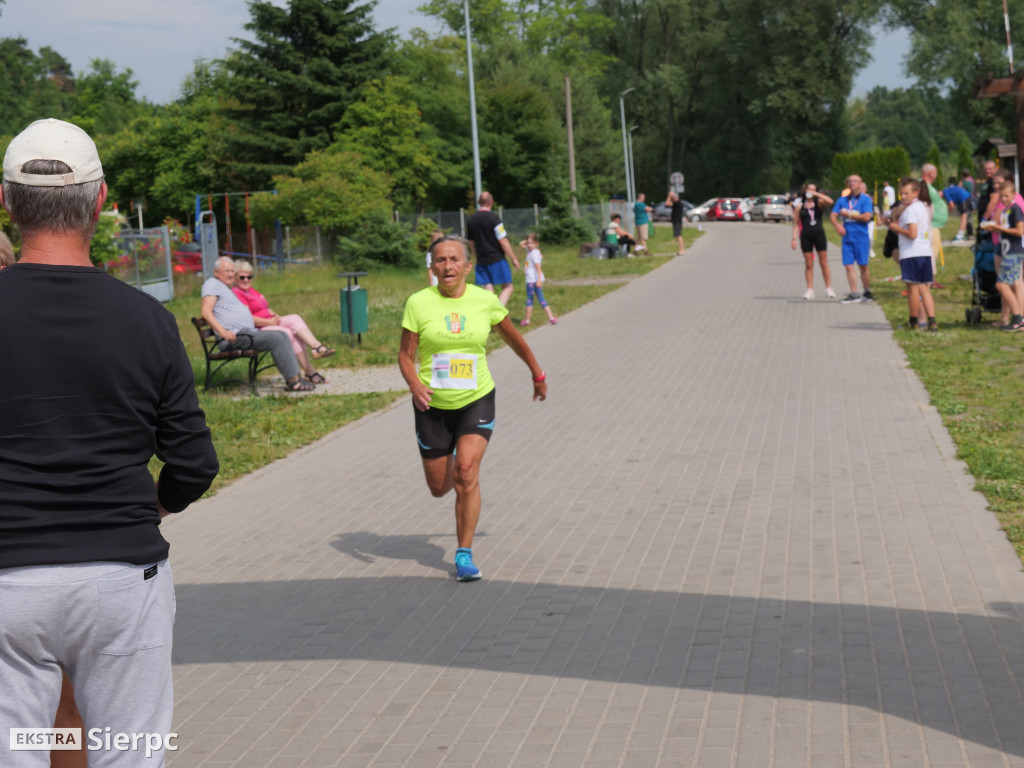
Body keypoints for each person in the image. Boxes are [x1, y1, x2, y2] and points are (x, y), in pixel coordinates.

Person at [0, 117, 219, 765]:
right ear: (101, 202)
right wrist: (156, 505)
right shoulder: (146, 321)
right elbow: (194, 461)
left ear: (6, 202)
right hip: (122, 582)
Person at [398, 235, 547, 582]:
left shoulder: (485, 301)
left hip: (476, 397)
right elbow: (406, 355)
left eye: (453, 260)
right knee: (440, 487)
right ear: (432, 267)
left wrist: (537, 373)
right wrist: (415, 384)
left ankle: (464, 553)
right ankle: (454, 472)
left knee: (465, 473)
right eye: (440, 261)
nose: (447, 266)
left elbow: (513, 337)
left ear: (467, 266)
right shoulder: (418, 303)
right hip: (432, 404)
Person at [201, 256, 314, 391]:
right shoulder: (212, 284)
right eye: (226, 271)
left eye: (232, 271)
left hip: (246, 334)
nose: (230, 274)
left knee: (282, 335)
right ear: (216, 272)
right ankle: (293, 382)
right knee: (276, 338)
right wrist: (223, 332)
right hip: (234, 338)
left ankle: (296, 377)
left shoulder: (225, 288)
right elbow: (206, 312)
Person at [231, 259, 334, 385]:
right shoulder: (237, 293)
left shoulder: (251, 290)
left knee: (295, 319)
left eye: (249, 276)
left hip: (269, 321)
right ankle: (306, 373)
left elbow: (263, 307)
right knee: (288, 333)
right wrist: (269, 322)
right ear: (235, 278)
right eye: (242, 277)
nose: (246, 280)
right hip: (259, 329)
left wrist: (275, 315)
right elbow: (248, 318)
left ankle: (317, 347)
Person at [888, 177, 938, 331]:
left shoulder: (910, 210)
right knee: (924, 288)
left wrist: (896, 228)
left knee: (913, 290)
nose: (903, 197)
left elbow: (912, 233)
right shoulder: (922, 207)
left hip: (911, 253)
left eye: (906, 194)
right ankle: (932, 321)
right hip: (924, 252)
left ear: (916, 192)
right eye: (901, 194)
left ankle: (913, 321)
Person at [465, 191, 520, 306]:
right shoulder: (494, 219)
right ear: (492, 202)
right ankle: (497, 312)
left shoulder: (471, 221)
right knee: (508, 287)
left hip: (481, 260)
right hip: (496, 258)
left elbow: (471, 242)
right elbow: (503, 240)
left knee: (488, 289)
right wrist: (513, 258)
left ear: (479, 202)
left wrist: (477, 256)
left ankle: (490, 312)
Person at [985, 180, 1024, 331]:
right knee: (1011, 283)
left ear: (1014, 194)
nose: (1003, 199)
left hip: (1014, 252)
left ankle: (1017, 317)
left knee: (1001, 284)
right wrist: (995, 228)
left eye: (1006, 196)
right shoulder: (1006, 210)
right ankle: (1018, 318)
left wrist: (999, 228)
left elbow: (1020, 231)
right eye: (1001, 196)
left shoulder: (1015, 209)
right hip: (1008, 250)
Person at [830, 174, 875, 303]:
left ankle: (866, 292)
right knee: (849, 266)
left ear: (860, 184)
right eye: (849, 181)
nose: (852, 183)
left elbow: (867, 217)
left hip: (861, 237)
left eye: (855, 181)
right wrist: (838, 226)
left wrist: (848, 214)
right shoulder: (842, 200)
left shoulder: (865, 200)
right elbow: (833, 216)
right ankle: (854, 293)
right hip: (847, 238)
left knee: (863, 265)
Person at [791, 182, 836, 299]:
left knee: (823, 263)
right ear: (804, 191)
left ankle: (828, 288)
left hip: (819, 235)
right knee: (809, 264)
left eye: (813, 189)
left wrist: (816, 194)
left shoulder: (819, 203)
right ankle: (810, 289)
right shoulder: (799, 206)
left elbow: (830, 201)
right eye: (808, 189)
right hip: (805, 236)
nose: (810, 191)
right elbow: (795, 223)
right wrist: (794, 238)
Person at [517, 232, 558, 326]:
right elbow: (521, 244)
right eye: (528, 243)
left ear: (537, 243)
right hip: (531, 280)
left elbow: (538, 267)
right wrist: (528, 240)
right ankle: (547, 318)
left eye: (531, 243)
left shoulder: (534, 254)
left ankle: (549, 318)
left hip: (533, 280)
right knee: (533, 299)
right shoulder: (530, 250)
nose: (529, 245)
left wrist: (539, 280)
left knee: (536, 299)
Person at [942, 176, 971, 242]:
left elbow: (951, 205)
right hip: (964, 197)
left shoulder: (945, 192)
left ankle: (960, 236)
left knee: (964, 216)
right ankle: (966, 234)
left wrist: (948, 214)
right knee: (964, 216)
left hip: (964, 198)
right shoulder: (948, 189)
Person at [666, 190, 686, 255]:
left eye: (672, 199)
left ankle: (682, 250)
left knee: (678, 235)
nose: (671, 200)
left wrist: (669, 196)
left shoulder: (677, 202)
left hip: (677, 221)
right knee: (678, 235)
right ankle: (681, 249)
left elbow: (667, 203)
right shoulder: (677, 203)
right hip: (676, 221)